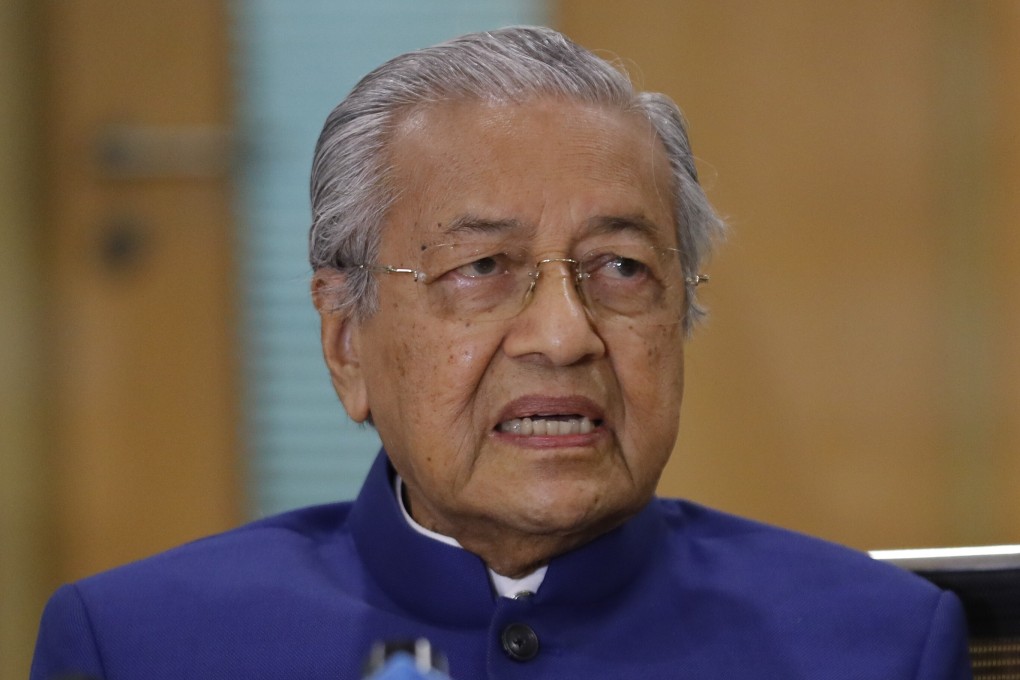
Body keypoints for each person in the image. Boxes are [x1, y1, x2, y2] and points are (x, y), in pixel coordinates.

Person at [32, 26, 971, 679]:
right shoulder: (140, 647)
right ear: (345, 340)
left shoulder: (876, 643)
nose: (564, 336)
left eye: (620, 266)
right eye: (482, 266)